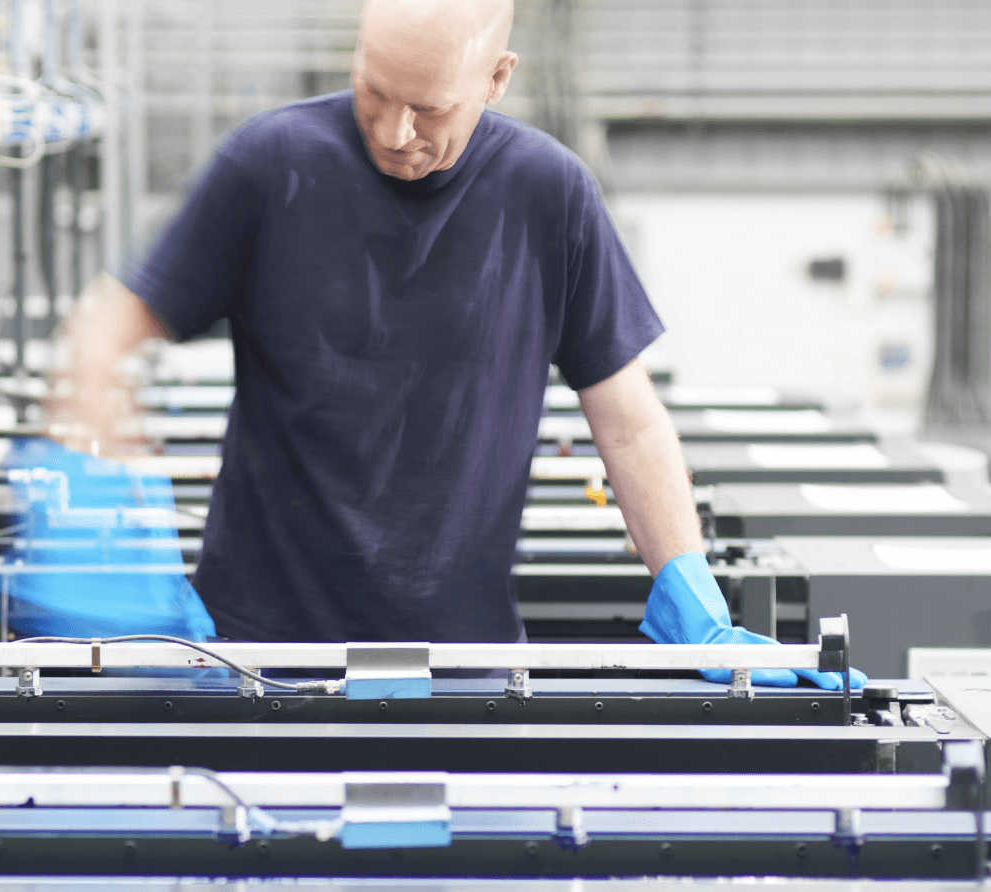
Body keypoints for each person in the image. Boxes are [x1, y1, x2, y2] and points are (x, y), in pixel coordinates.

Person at [49, 0, 863, 690]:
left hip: (462, 663)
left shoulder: (549, 193)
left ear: (497, 78)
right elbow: (104, 333)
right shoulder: (271, 165)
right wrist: (106, 516)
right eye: (376, 92)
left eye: (430, 107)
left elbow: (629, 421)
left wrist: (696, 601)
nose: (395, 131)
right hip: (252, 649)